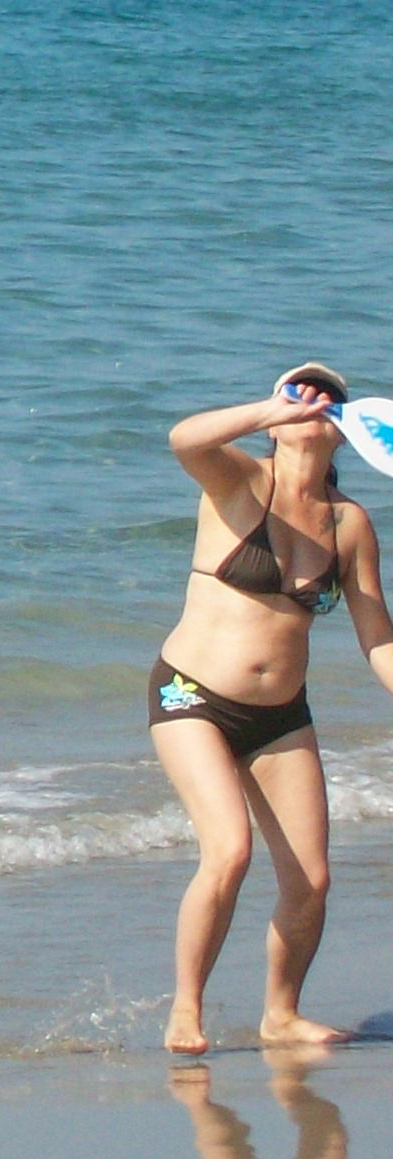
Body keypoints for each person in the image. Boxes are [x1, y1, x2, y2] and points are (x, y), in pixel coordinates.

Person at [148, 362, 393, 1056]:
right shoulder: (238, 482)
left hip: (281, 715)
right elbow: (183, 438)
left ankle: (280, 1015)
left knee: (310, 879)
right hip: (190, 696)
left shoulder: (349, 524)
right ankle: (186, 1013)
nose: (312, 404)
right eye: (300, 391)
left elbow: (378, 637)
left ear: (346, 430)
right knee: (229, 852)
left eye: (327, 399)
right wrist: (267, 410)